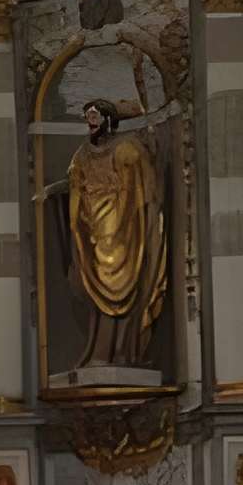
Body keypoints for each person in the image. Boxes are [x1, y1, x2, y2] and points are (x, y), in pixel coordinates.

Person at [54, 100, 170, 372]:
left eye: (96, 117)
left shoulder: (127, 151)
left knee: (124, 290)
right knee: (97, 295)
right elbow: (75, 193)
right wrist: (76, 227)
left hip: (123, 234)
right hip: (93, 233)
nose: (91, 122)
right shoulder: (82, 155)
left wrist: (131, 230)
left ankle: (122, 351)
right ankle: (101, 350)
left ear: (109, 119)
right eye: (88, 118)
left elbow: (141, 198)